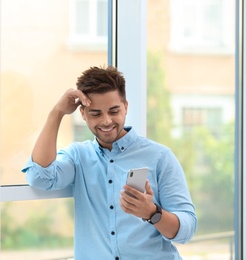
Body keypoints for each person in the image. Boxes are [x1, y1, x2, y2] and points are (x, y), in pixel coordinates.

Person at [22, 66, 197, 259]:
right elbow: (40, 177)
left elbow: (186, 229)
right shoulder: (78, 156)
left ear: (126, 107)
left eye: (114, 111)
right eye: (96, 114)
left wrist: (152, 213)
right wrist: (57, 113)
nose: (106, 121)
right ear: (82, 114)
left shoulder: (160, 157)